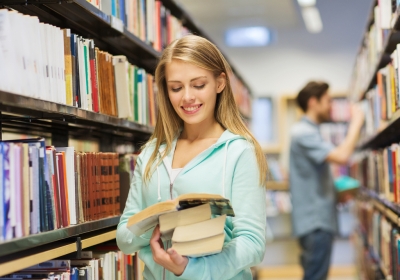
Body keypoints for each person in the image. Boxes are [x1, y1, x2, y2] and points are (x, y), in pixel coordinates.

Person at [116, 35, 268, 280]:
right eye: (176, 88)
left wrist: (189, 270)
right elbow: (124, 238)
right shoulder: (152, 153)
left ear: (220, 83)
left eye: (198, 85)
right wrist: (157, 227)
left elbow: (251, 244)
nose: (187, 97)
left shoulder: (240, 152)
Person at [289, 81, 364, 280]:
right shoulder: (303, 133)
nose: (331, 106)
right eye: (328, 101)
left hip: (317, 220)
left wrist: (336, 195)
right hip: (315, 223)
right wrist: (357, 122)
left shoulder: (310, 131)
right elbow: (342, 156)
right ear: (313, 102)